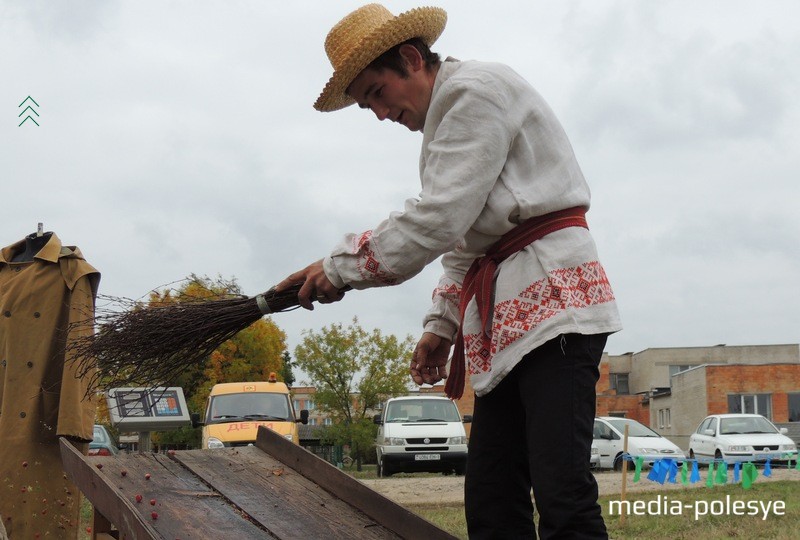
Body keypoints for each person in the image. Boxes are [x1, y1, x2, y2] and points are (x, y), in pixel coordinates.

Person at [277, 4, 622, 538]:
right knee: (492, 497)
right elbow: (466, 242)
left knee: (562, 493)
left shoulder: (474, 93)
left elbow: (437, 220)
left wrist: (338, 269)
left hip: (555, 304)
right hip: (507, 318)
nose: (378, 113)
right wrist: (442, 326)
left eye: (375, 92)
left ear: (411, 58)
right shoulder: (445, 127)